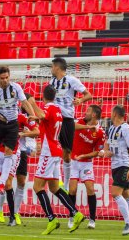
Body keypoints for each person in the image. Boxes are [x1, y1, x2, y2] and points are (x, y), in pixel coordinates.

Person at [28, 86, 85, 235]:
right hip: (56, 150)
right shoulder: (58, 109)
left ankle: (52, 219)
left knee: (37, 187)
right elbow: (47, 121)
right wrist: (37, 117)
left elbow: (43, 115)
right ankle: (75, 213)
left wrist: (33, 104)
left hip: (49, 151)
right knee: (54, 188)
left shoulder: (48, 108)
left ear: (43, 96)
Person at [0, 66, 36, 195]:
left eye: (7, 77)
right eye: (2, 78)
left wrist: (32, 116)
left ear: (9, 76)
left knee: (9, 152)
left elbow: (25, 103)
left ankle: (1, 183)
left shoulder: (16, 88)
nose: (5, 80)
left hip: (13, 124)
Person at [98, 105, 129, 236]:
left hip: (124, 165)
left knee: (115, 193)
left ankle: (128, 223)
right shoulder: (112, 129)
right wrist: (104, 152)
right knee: (126, 195)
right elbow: (110, 150)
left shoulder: (126, 129)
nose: (109, 113)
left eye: (111, 111)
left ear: (115, 114)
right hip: (115, 165)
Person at [49, 57, 92, 192]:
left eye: (52, 66)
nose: (51, 69)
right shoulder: (52, 82)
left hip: (67, 119)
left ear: (57, 67)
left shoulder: (71, 80)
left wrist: (80, 100)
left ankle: (66, 183)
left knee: (67, 152)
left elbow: (88, 95)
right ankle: (60, 179)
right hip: (54, 119)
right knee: (54, 151)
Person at [0, 94, 39, 226]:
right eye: (27, 102)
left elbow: (37, 132)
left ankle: (16, 212)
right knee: (7, 181)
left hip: (23, 152)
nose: (29, 104)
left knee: (21, 182)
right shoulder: (10, 114)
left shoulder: (29, 117)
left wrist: (24, 133)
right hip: (9, 151)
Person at [68, 105, 106, 230]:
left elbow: (97, 151)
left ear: (94, 115)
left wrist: (85, 155)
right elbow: (72, 126)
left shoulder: (100, 132)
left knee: (90, 188)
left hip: (86, 163)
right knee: (72, 190)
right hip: (74, 161)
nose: (86, 112)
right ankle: (72, 216)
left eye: (88, 111)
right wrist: (88, 126)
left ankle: (92, 220)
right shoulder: (81, 121)